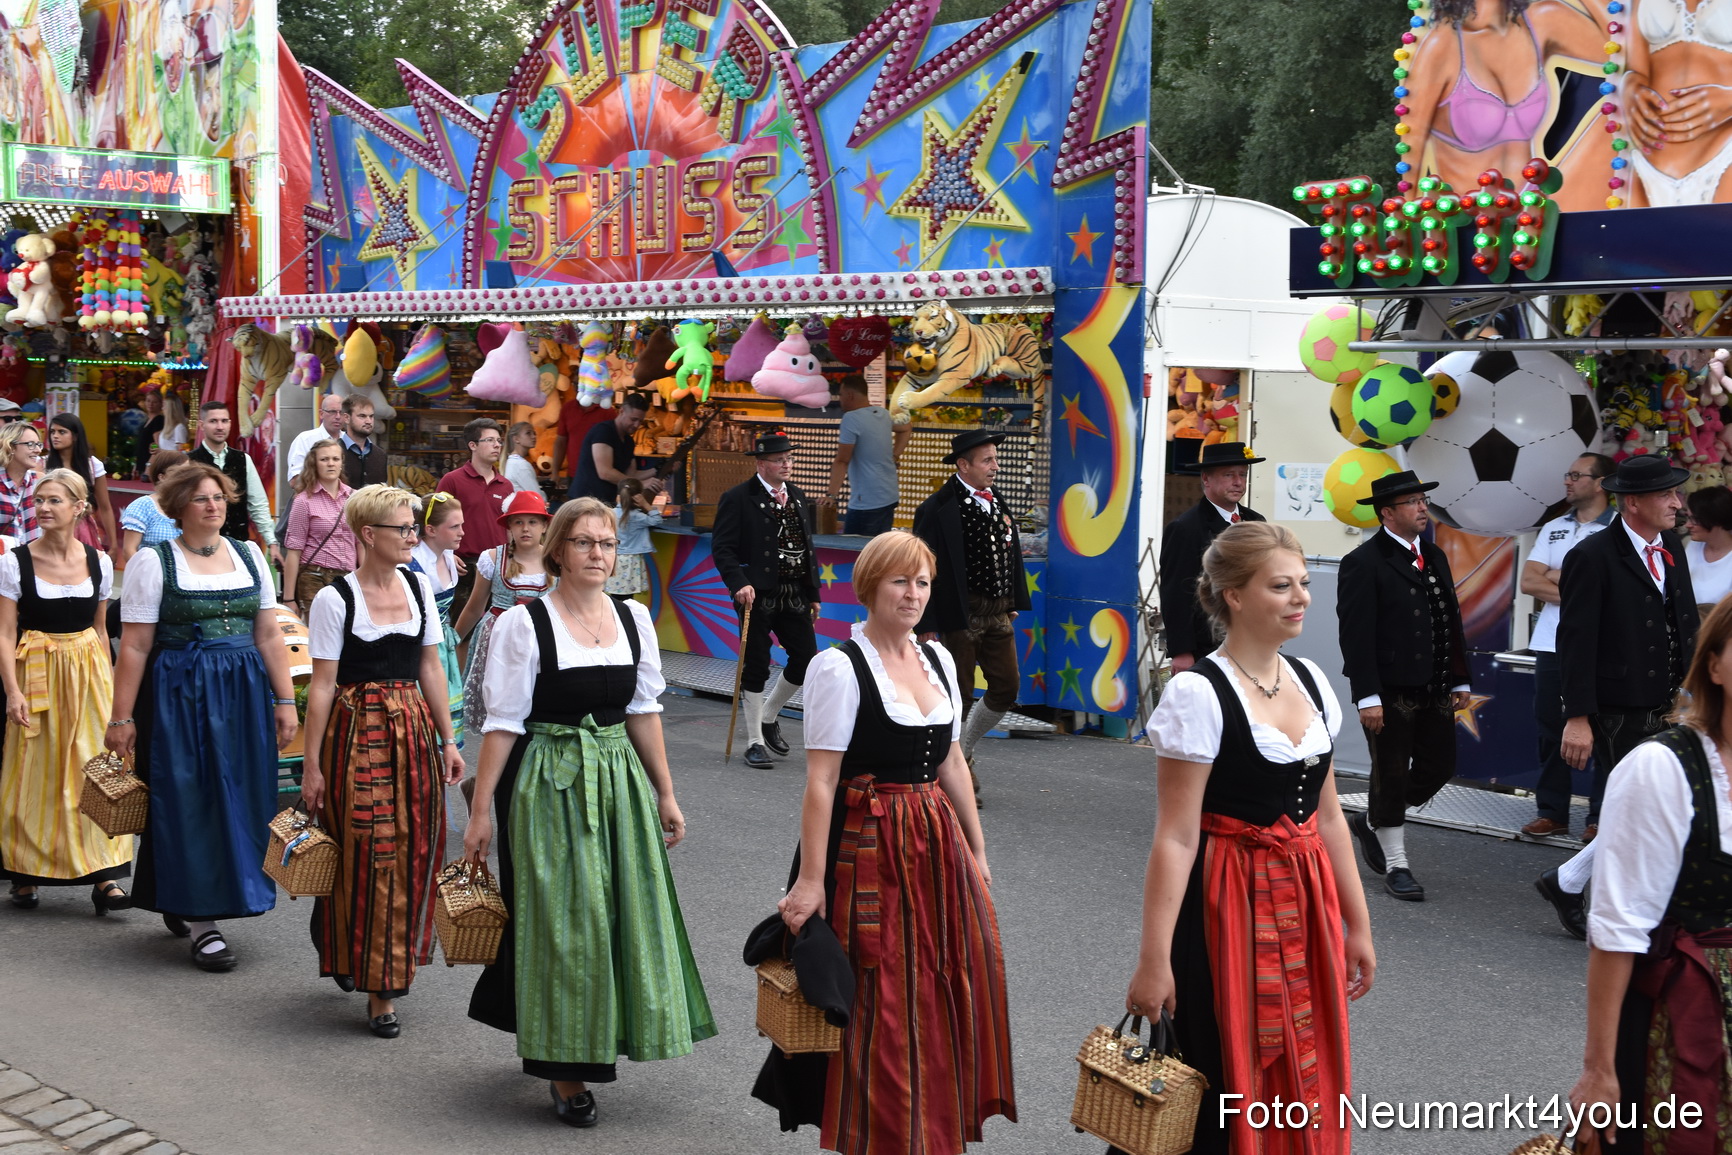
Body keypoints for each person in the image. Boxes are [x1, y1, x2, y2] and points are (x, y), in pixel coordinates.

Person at [1125, 522, 1375, 1155]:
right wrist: (1155, 958)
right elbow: (1177, 838)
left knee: (1302, 1056)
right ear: (1233, 595)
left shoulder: (1313, 682)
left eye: (1304, 584)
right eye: (1281, 585)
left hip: (1306, 900)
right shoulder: (1198, 694)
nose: (1300, 598)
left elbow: (1330, 821)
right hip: (1225, 904)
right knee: (1222, 1066)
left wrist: (1358, 925)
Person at [465, 496, 713, 1128]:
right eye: (584, 543)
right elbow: (502, 723)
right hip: (548, 778)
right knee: (562, 921)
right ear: (557, 551)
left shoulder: (633, 620)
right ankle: (566, 1068)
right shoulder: (527, 624)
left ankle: (596, 1032)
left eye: (605, 543)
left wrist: (665, 790)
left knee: (619, 914)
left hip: (619, 777)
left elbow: (644, 712)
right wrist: (480, 813)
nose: (598, 554)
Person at [768, 530, 1015, 1153]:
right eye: (900, 581)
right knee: (881, 990)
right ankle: (877, 1132)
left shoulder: (937, 662)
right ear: (871, 587)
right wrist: (811, 879)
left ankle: (928, 1127)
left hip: (934, 839)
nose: (913, 594)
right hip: (870, 843)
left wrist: (978, 851)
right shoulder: (839, 667)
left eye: (923, 582)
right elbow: (821, 781)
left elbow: (954, 761)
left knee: (939, 980)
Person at [109, 462, 299, 972]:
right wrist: (121, 717)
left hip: (242, 695)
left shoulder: (250, 554)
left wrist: (285, 701)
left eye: (219, 497)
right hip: (180, 695)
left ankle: (192, 894)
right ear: (178, 508)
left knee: (240, 798)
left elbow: (268, 634)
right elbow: (135, 645)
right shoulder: (155, 561)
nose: (214, 506)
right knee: (189, 799)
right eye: (201, 499)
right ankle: (202, 921)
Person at [1568, 596, 1732, 1148]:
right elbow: (1618, 928)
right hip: (1681, 1019)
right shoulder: (1663, 768)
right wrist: (1599, 1068)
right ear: (1714, 665)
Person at [300, 484, 464, 1038]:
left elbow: (432, 669)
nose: (413, 537)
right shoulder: (334, 599)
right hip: (356, 733)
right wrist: (312, 764)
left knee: (415, 848)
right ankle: (371, 977)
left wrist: (449, 739)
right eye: (404, 528)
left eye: (415, 527)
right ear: (369, 534)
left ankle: (382, 971)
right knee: (368, 850)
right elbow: (322, 686)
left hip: (413, 731)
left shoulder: (420, 587)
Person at [1337, 470, 1472, 902]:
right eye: (1412, 502)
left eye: (1422, 500)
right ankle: (1398, 866)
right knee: (1391, 773)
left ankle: (1371, 819)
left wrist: (1460, 676)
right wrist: (1367, 696)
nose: (1422, 508)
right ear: (1387, 513)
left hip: (1434, 687)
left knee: (1440, 767)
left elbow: (1450, 620)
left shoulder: (1434, 555)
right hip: (1389, 690)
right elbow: (1355, 636)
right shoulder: (1363, 562)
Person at [0, 469, 127, 913]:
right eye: (40, 500)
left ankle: (104, 872)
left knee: (95, 767)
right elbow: (4, 631)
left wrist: (112, 690)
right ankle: (24, 872)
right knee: (33, 767)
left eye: (54, 500)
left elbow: (99, 629)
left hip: (88, 668)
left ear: (78, 507)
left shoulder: (99, 561)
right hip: (36, 668)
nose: (44, 508)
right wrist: (12, 691)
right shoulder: (14, 561)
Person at [1557, 454, 1699, 838]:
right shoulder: (1590, 556)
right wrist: (1577, 717)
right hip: (1621, 709)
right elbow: (1576, 641)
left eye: (1676, 493)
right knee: (1640, 811)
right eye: (1666, 494)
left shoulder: (1670, 543)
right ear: (1633, 502)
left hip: (1673, 702)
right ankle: (1592, 890)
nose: (1677, 503)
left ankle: (1567, 881)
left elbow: (1685, 620)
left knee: (1661, 808)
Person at [912, 430, 1031, 799]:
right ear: (964, 465)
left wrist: (1012, 599)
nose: (995, 467)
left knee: (1007, 686)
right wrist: (927, 623)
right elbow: (923, 568)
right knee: (957, 696)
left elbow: (1010, 553)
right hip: (958, 615)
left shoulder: (995, 500)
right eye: (987, 461)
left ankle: (963, 752)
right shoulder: (937, 507)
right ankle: (952, 771)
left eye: (995, 459)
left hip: (996, 613)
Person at [1398, 0, 1606, 205]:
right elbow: (1412, 148)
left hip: (1532, 208)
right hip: (1472, 219)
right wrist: (1410, 229)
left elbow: (1620, 51)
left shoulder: (1543, 20)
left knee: (1617, 112)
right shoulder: (1442, 45)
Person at [1518, 451, 1616, 840]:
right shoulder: (1554, 527)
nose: (1567, 481)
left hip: (1601, 646)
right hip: (1550, 644)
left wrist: (1559, 579)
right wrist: (1581, 587)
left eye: (1577, 475)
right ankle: (1552, 811)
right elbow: (1529, 582)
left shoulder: (1619, 529)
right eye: (1568, 473)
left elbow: (1612, 591)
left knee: (1605, 729)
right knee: (1550, 727)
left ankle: (1600, 817)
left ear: (1601, 483)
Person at [711, 431, 821, 771]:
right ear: (761, 464)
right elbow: (723, 548)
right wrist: (738, 583)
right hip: (756, 595)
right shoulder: (738, 497)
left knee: (806, 660)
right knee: (756, 664)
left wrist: (813, 593)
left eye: (789, 458)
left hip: (795, 593)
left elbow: (807, 548)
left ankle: (770, 715)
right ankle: (754, 742)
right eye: (779, 459)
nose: (787, 464)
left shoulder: (800, 497)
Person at [1159, 441, 1268, 674]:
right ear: (1206, 479)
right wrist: (1181, 651)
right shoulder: (1185, 527)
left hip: (1251, 638)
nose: (1238, 482)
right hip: (1207, 643)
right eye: (1229, 475)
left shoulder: (1256, 521)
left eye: (1242, 474)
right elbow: (1175, 592)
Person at [455, 489, 553, 738]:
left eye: (532, 521)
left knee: (537, 701)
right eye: (518, 522)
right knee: (500, 705)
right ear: (509, 526)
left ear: (544, 525)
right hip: (498, 639)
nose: (525, 528)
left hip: (540, 639)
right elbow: (476, 605)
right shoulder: (492, 558)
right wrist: (453, 640)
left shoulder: (556, 560)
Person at [1625, 0, 1732, 204]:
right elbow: (1634, 67)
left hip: (1725, 149)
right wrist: (1628, 86)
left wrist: (1729, 99)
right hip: (1644, 157)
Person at [434, 417, 514, 614]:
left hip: (498, 567)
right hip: (463, 567)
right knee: (459, 630)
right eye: (490, 440)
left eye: (499, 441)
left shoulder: (506, 485)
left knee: (496, 627)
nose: (497, 445)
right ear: (473, 445)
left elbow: (511, 527)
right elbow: (434, 522)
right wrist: (446, 555)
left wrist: (513, 559)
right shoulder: (452, 480)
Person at [187, 401, 281, 567]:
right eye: (213, 421)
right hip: (199, 548)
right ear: (201, 425)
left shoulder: (243, 459)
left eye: (224, 421)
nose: (220, 426)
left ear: (230, 423)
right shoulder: (189, 462)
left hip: (237, 545)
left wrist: (271, 542)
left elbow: (258, 504)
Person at [409, 491, 466, 747]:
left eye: (461, 525)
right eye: (454, 527)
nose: (462, 532)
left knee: (445, 725)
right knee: (423, 727)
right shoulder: (412, 563)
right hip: (422, 648)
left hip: (444, 646)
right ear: (430, 530)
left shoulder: (449, 557)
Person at [823, 374, 909, 536]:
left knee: (853, 554)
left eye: (841, 395)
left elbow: (842, 460)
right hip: (889, 496)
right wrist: (895, 455)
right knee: (877, 551)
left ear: (850, 395)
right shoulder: (882, 414)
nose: (840, 399)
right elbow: (906, 428)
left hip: (867, 503)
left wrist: (831, 495)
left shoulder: (851, 418)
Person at [282, 439, 355, 618]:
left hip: (348, 577)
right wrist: (289, 599)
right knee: (320, 632)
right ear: (314, 463)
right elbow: (294, 552)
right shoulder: (303, 501)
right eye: (324, 459)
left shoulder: (354, 497)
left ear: (341, 462)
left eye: (335, 459)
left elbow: (361, 543)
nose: (331, 463)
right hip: (315, 575)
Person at [570, 392, 659, 503]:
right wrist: (641, 484)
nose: (636, 425)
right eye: (633, 419)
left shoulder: (628, 442)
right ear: (621, 411)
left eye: (640, 421)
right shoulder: (603, 431)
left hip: (607, 502)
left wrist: (659, 468)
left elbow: (631, 475)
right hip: (585, 501)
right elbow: (605, 472)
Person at [45, 413, 116, 551]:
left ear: (76, 436)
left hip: (84, 531)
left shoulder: (93, 465)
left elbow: (105, 507)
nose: (55, 436)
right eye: (52, 432)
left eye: (62, 432)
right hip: (50, 529)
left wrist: (113, 545)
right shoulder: (42, 464)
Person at [116, 450, 187, 569]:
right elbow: (129, 551)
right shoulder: (143, 506)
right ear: (162, 477)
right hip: (151, 576)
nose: (186, 478)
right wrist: (149, 575)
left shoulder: (190, 504)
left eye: (189, 473)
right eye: (180, 473)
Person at [1684, 483, 1732, 617]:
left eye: (1694, 519)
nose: (1688, 525)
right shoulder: (1692, 546)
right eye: (1688, 517)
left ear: (1715, 519)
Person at [553, 391, 614, 490]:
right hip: (574, 474)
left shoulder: (607, 411)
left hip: (598, 477)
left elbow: (614, 445)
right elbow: (561, 442)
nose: (578, 387)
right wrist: (555, 472)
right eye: (576, 383)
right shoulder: (568, 408)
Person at [284, 393, 345, 488]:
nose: (338, 416)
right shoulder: (305, 439)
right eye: (332, 412)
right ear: (321, 414)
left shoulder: (349, 441)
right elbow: (295, 480)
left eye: (341, 412)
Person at [608, 478, 655, 598]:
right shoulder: (638, 516)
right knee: (628, 598)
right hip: (631, 560)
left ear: (618, 496)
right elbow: (656, 520)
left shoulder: (609, 513)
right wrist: (645, 505)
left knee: (613, 596)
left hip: (612, 558)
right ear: (638, 497)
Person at [0, 421, 40, 545]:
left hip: (34, 562)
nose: (38, 450)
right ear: (11, 447)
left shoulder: (40, 483)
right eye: (30, 444)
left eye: (39, 444)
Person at [338, 394, 386, 490]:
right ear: (347, 418)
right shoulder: (333, 452)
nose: (368, 421)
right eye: (362, 416)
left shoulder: (381, 455)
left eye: (371, 416)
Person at [503, 420, 541, 493]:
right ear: (516, 439)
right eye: (528, 433)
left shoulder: (512, 461)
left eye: (534, 433)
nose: (534, 436)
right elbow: (536, 495)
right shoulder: (520, 464)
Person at [134, 387, 164, 478]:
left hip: (149, 465)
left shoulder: (158, 420)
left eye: (154, 402)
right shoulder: (147, 420)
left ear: (160, 404)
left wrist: (149, 464)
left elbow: (156, 444)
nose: (150, 404)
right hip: (142, 463)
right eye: (148, 401)